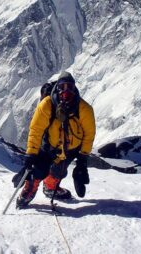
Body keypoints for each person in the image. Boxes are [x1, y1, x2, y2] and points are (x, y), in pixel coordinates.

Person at [16, 71, 96, 208]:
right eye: (62, 87)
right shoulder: (47, 105)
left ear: (74, 88)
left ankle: (50, 186)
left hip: (71, 149)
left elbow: (89, 134)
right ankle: (30, 188)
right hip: (50, 146)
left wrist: (82, 160)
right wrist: (30, 155)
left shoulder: (84, 109)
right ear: (57, 88)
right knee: (39, 169)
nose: (66, 91)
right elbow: (36, 130)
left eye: (69, 87)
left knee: (59, 171)